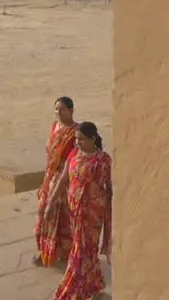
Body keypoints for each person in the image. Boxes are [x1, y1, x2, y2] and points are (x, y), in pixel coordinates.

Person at [47, 121, 112, 300]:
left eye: (81, 140)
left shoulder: (103, 160)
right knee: (82, 248)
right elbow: (63, 180)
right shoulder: (74, 154)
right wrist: (51, 202)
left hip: (93, 213)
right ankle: (93, 284)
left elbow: (110, 189)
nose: (77, 143)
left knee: (84, 250)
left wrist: (109, 217)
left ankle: (74, 286)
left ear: (92, 139)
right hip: (75, 211)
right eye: (76, 139)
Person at [34, 97, 79, 267]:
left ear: (71, 110)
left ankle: (64, 254)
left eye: (62, 109)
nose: (58, 112)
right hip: (50, 177)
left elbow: (76, 158)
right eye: (56, 109)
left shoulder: (76, 133)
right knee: (42, 214)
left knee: (61, 218)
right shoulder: (55, 127)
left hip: (64, 179)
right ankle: (44, 251)